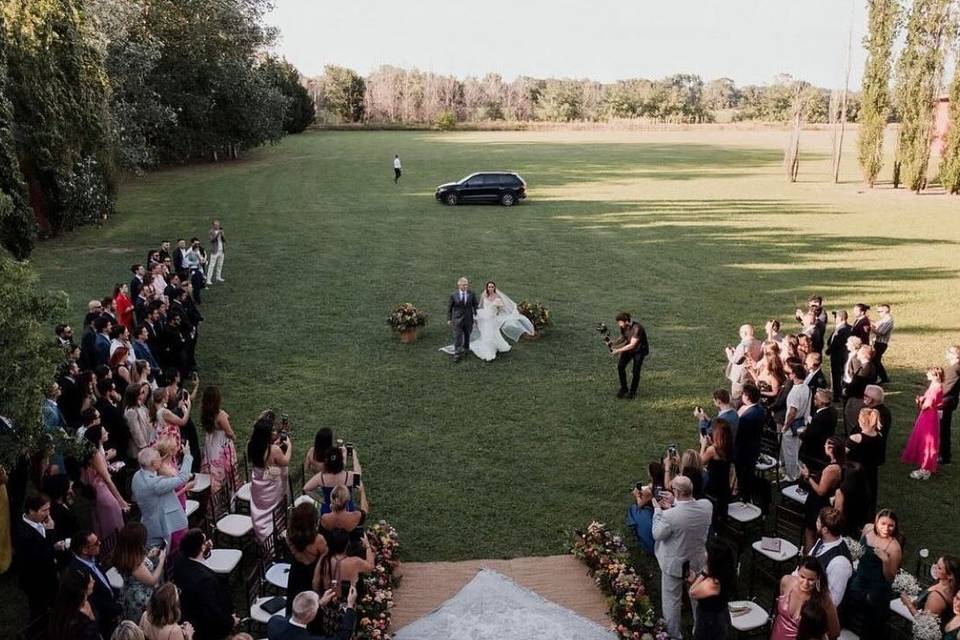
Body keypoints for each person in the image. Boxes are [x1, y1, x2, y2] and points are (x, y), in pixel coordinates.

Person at [651, 475, 713, 640]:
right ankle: (699, 631)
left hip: (674, 564)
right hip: (697, 560)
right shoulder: (707, 507)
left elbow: (657, 534)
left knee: (671, 601)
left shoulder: (669, 516)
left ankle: (673, 635)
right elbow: (687, 512)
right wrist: (674, 503)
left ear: (677, 492)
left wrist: (658, 511)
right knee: (697, 600)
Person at [841, 509, 903, 640]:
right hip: (860, 579)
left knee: (870, 624)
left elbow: (890, 578)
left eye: (891, 525)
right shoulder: (868, 529)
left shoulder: (894, 548)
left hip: (877, 588)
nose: (886, 528)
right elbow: (859, 550)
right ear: (876, 521)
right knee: (845, 608)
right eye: (883, 523)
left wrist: (885, 561)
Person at [173, 529, 238, 640]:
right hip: (207, 627)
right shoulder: (204, 580)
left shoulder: (180, 560)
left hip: (189, 610)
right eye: (204, 541)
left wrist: (204, 552)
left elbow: (196, 559)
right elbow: (212, 609)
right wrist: (231, 621)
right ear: (201, 547)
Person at [310, 528, 375, 636]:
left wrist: (321, 599)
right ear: (347, 544)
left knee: (329, 634)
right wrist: (367, 546)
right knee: (348, 633)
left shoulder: (323, 559)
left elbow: (315, 582)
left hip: (329, 606)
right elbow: (371, 567)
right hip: (348, 607)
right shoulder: (354, 562)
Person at [131, 445, 193, 548]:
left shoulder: (137, 475)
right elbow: (182, 478)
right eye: (158, 458)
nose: (161, 460)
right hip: (159, 526)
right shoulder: (155, 484)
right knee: (161, 553)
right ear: (153, 464)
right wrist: (187, 456)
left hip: (147, 520)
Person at [14, 493, 60, 624]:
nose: (48, 513)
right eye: (44, 510)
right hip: (36, 580)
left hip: (48, 574)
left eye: (49, 509)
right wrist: (51, 532)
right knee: (39, 609)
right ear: (31, 511)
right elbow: (44, 556)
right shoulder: (24, 534)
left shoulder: (39, 521)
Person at [80, 424, 130, 540]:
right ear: (98, 437)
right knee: (114, 522)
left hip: (98, 490)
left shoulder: (91, 450)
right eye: (104, 432)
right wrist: (121, 501)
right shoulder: (95, 454)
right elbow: (107, 479)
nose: (107, 433)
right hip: (102, 491)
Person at [770, 557, 840, 640]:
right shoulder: (786, 582)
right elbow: (777, 609)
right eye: (802, 577)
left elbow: (835, 632)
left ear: (818, 578)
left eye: (811, 580)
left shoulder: (824, 600)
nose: (805, 583)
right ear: (798, 572)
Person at [248, 413, 292, 543]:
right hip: (271, 485)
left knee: (261, 510)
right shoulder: (273, 450)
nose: (274, 432)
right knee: (273, 511)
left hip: (258, 482)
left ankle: (263, 534)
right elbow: (285, 461)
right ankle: (273, 537)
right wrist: (289, 446)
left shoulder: (251, 444)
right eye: (272, 430)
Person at [70, 530, 122, 638]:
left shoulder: (92, 559)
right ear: (84, 550)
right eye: (96, 543)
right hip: (104, 621)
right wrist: (117, 608)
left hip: (112, 607)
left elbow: (104, 581)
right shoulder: (78, 572)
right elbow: (93, 599)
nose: (100, 543)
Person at [114, 522, 166, 623]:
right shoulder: (134, 563)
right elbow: (152, 581)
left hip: (129, 592)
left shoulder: (125, 554)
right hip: (140, 599)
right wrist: (161, 561)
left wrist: (148, 556)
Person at [799, 438, 845, 553]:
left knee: (810, 532)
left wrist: (808, 477)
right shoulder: (839, 465)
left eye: (826, 444)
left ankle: (809, 559)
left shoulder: (831, 469)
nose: (824, 445)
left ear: (831, 449)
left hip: (817, 504)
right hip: (822, 503)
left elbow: (821, 491)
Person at [285, 502, 329, 618]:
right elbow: (326, 557)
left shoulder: (289, 534)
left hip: (296, 572)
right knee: (313, 604)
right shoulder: (318, 540)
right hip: (313, 573)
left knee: (295, 601)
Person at [688, 537, 737, 640]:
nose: (705, 554)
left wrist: (703, 572)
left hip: (710, 622)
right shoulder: (725, 574)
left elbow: (692, 592)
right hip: (720, 615)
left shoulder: (713, 583)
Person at [901, 366, 944, 480]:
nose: (927, 375)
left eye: (929, 374)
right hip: (928, 416)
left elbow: (926, 405)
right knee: (925, 440)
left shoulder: (936, 388)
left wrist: (920, 402)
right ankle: (924, 465)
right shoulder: (935, 385)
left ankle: (926, 469)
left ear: (935, 375)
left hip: (928, 417)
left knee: (928, 441)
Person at [807, 507, 853, 607]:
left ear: (825, 530)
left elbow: (832, 602)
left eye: (818, 521)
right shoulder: (824, 540)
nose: (816, 523)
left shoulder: (840, 563)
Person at [268, 589, 356, 640]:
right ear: (311, 615)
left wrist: (320, 604)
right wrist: (350, 606)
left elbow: (289, 619)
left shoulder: (274, 622)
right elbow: (342, 637)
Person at [898, 556, 958, 626]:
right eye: (936, 564)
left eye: (939, 568)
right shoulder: (946, 583)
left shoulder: (936, 597)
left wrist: (908, 603)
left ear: (950, 576)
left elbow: (925, 624)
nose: (934, 567)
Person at [304, 446, 361, 515]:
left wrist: (320, 499)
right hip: (347, 510)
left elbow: (306, 489)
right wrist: (354, 455)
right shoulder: (349, 476)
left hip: (328, 511)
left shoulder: (321, 477)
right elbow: (358, 473)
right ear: (341, 462)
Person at [846, 409, 884, 510]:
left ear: (862, 421)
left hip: (856, 472)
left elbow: (842, 452)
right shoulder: (879, 436)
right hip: (871, 472)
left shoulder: (856, 438)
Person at [201, 386, 236, 492]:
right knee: (224, 470)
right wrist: (234, 437)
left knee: (213, 467)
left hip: (211, 443)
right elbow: (229, 432)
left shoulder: (205, 413)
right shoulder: (220, 415)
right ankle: (229, 496)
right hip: (221, 444)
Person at [48, 568, 100, 640]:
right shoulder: (77, 624)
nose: (93, 581)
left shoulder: (67, 604)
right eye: (91, 581)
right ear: (83, 589)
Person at [733, 384, 765, 504]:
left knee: (743, 476)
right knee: (746, 474)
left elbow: (739, 435)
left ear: (747, 397)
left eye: (743, 394)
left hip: (744, 451)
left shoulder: (747, 417)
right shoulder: (759, 409)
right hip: (753, 448)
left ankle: (745, 498)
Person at [781, 362, 811, 481]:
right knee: (796, 450)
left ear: (794, 375)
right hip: (802, 423)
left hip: (792, 425)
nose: (788, 375)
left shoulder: (795, 392)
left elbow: (792, 412)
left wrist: (786, 426)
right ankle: (797, 472)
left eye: (790, 373)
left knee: (790, 452)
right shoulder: (806, 387)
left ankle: (792, 475)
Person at [700, 419, 732, 527]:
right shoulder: (728, 445)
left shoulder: (712, 450)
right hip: (724, 485)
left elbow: (700, 462)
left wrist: (703, 445)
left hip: (713, 485)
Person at [611, 311, 650, 399]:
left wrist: (618, 350)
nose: (619, 325)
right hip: (629, 349)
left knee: (635, 371)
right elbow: (623, 337)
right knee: (620, 366)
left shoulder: (637, 328)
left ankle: (632, 392)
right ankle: (624, 388)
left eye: (620, 322)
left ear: (626, 321)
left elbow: (632, 345)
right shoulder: (623, 326)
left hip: (639, 350)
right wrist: (614, 343)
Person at [799, 390, 836, 474]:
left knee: (812, 470)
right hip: (823, 445)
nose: (813, 400)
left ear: (822, 402)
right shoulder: (832, 411)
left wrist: (801, 435)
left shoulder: (820, 417)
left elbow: (811, 436)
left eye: (816, 399)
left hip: (815, 450)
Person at [725, 324, 762, 404]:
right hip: (753, 375)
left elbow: (736, 360)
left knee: (737, 398)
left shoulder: (743, 345)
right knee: (750, 397)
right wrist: (736, 352)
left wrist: (729, 353)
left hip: (741, 377)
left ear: (744, 333)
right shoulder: (759, 343)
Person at [446, 277, 478, 363]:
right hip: (457, 319)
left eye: (467, 284)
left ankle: (466, 348)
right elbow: (449, 308)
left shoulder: (472, 293)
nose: (466, 286)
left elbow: (475, 305)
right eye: (464, 285)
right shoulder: (453, 295)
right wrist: (449, 319)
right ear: (459, 285)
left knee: (467, 335)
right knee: (458, 336)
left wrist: (476, 316)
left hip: (468, 319)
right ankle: (457, 353)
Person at [940, 345, 960, 465]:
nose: (947, 353)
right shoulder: (955, 367)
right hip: (950, 401)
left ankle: (944, 456)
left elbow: (946, 388)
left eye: (950, 352)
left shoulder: (954, 369)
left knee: (943, 429)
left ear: (956, 356)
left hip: (945, 402)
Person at [124, 382, 155, 459]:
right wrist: (144, 447)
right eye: (142, 393)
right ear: (135, 395)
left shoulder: (140, 405)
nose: (144, 394)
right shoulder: (131, 411)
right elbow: (136, 432)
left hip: (148, 439)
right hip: (139, 449)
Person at [871, 305, 894, 384]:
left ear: (885, 311)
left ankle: (882, 377)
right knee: (876, 360)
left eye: (880, 311)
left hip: (881, 343)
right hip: (878, 342)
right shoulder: (884, 319)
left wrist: (871, 328)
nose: (879, 313)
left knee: (875, 360)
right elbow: (876, 324)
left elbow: (881, 332)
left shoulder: (888, 320)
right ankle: (881, 377)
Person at [206, 220, 225, 285]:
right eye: (216, 225)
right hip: (215, 251)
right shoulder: (211, 232)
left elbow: (224, 240)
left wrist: (222, 235)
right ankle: (208, 279)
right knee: (212, 265)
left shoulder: (221, 231)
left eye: (218, 225)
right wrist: (217, 234)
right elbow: (212, 240)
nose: (217, 226)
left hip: (221, 250)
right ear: (213, 225)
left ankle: (218, 277)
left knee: (220, 264)